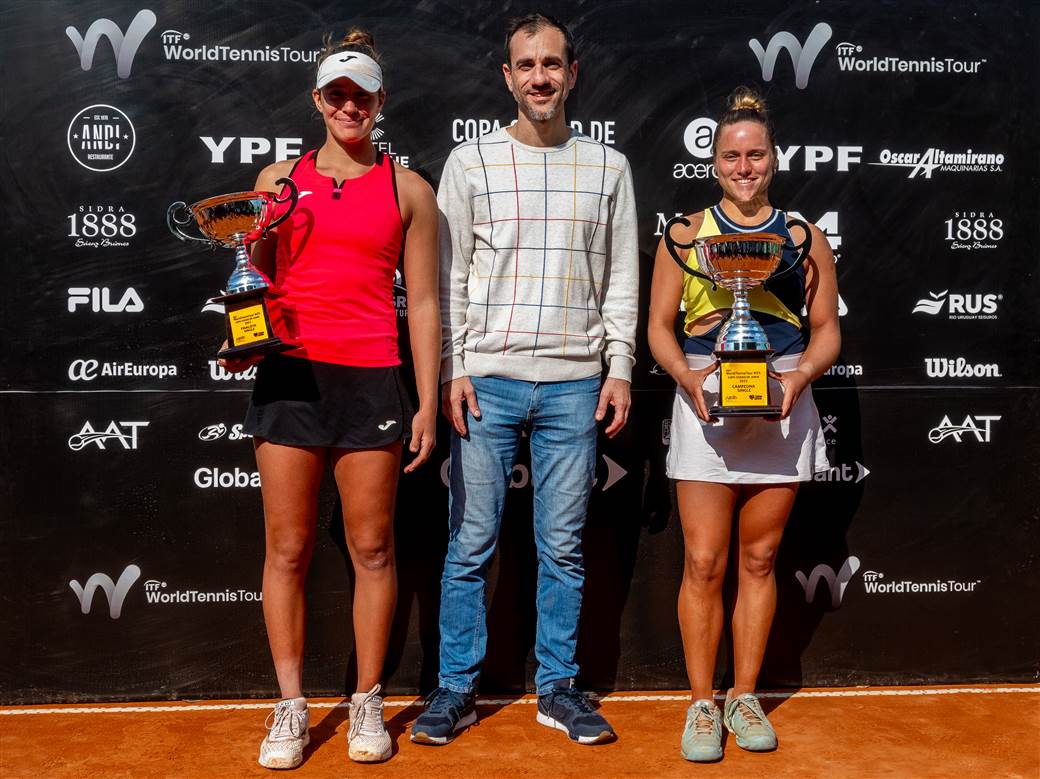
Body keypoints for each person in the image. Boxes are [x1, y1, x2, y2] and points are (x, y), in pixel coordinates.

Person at [409, 13, 638, 747]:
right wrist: (452, 368)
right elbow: (446, 281)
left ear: (572, 74)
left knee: (563, 546)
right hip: (488, 382)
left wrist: (621, 365)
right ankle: (454, 689)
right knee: (470, 543)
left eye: (552, 64)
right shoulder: (469, 163)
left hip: (576, 383)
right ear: (507, 78)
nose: (539, 77)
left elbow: (623, 280)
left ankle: (559, 687)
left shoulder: (609, 167)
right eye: (525, 65)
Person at [219, 29, 441, 769]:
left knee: (373, 547)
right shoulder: (277, 180)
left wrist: (427, 402)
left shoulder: (409, 189)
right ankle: (289, 706)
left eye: (363, 94)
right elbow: (253, 278)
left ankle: (367, 699)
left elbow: (427, 305)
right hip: (291, 377)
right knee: (287, 547)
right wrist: (241, 339)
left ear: (381, 101)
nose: (351, 106)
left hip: (372, 375)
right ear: (318, 100)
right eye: (337, 94)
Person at [647, 87, 840, 762]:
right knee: (704, 560)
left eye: (756, 154)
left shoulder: (802, 237)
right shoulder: (684, 235)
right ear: (715, 162)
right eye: (733, 155)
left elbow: (825, 334)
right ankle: (702, 702)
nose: (745, 166)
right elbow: (658, 329)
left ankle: (744, 693)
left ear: (774, 158)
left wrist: (796, 378)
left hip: (780, 404)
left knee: (760, 558)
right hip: (707, 403)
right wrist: (691, 377)